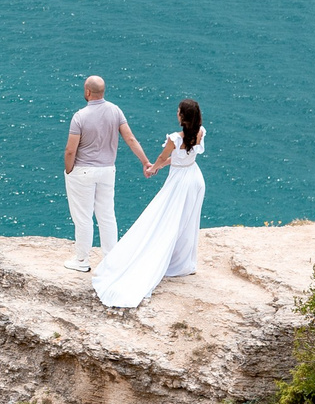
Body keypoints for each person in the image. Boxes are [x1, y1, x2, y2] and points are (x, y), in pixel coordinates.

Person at [92, 99, 209, 309]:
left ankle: (167, 260)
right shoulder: (200, 132)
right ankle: (183, 263)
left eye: (178, 111)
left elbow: (164, 157)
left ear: (182, 116)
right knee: (188, 221)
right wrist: (159, 167)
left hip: (179, 183)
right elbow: (183, 158)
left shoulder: (175, 138)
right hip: (195, 180)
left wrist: (152, 168)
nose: (177, 113)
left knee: (166, 221)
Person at [63, 76, 150, 272]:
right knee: (107, 216)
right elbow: (130, 138)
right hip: (107, 170)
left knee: (83, 217)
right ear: (103, 91)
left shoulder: (80, 116)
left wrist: (69, 170)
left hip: (83, 171)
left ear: (87, 92)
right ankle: (111, 261)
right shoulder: (115, 111)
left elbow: (70, 150)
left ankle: (82, 261)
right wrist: (145, 161)